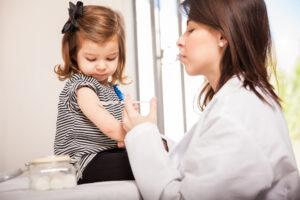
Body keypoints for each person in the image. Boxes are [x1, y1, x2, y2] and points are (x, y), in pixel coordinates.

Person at [122, 0, 300, 199]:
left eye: (191, 29)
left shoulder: (237, 113)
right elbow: (205, 162)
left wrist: (142, 135)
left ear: (222, 36)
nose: (180, 40)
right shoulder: (239, 100)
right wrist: (158, 144)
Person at [53, 1, 134, 184]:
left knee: (160, 147)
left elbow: (117, 128)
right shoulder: (83, 87)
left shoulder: (109, 88)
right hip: (81, 162)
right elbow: (109, 127)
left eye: (111, 57)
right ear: (74, 54)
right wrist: (135, 137)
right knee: (143, 158)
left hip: (103, 153)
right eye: (91, 58)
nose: (102, 65)